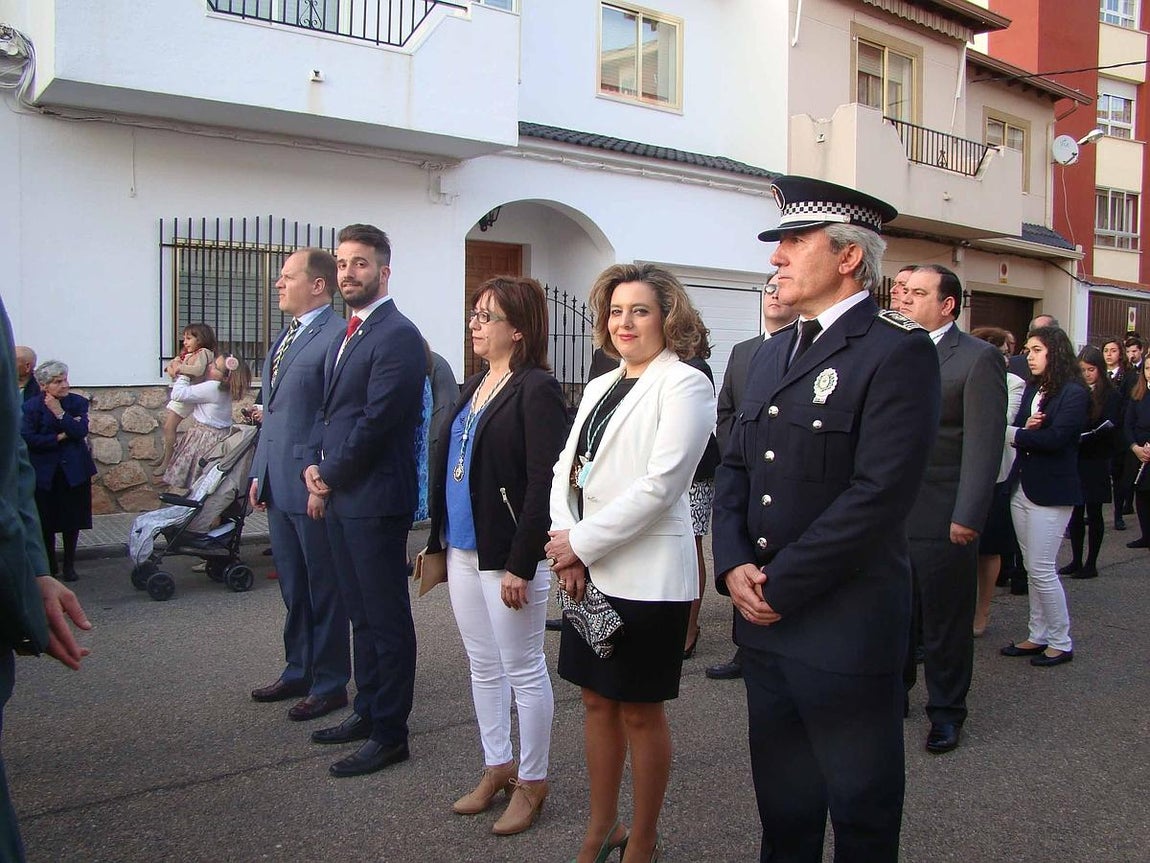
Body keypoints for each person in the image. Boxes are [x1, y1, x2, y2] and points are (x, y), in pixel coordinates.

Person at [712, 175, 940, 863]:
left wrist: (779, 585)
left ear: (848, 256)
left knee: (861, 810)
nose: (777, 257)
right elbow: (736, 465)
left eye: (794, 241)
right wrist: (731, 564)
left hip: (844, 627)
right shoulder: (772, 351)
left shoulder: (897, 350)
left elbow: (877, 496)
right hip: (766, 626)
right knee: (784, 810)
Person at [545, 263, 714, 863]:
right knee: (594, 701)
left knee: (640, 712)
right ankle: (601, 826)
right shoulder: (599, 385)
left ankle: (643, 837)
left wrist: (580, 544)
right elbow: (566, 471)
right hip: (585, 571)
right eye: (616, 311)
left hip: (646, 576)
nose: (625, 323)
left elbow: (662, 486)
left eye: (640, 311)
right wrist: (567, 544)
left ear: (669, 318)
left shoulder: (685, 384)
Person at [424, 276, 566, 835]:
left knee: (523, 669)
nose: (475, 324)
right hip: (462, 548)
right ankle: (497, 765)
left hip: (506, 556)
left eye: (487, 316)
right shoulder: (477, 383)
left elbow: (543, 483)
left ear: (519, 329)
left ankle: (533, 782)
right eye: (474, 314)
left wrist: (522, 562)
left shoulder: (536, 388)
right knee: (483, 666)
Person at [304, 224, 426, 778]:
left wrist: (328, 474)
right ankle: (366, 710)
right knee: (360, 615)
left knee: (386, 619)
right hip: (343, 495)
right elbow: (334, 412)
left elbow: (379, 422)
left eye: (359, 263)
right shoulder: (347, 332)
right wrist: (317, 468)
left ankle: (390, 733)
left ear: (383, 271)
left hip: (374, 499)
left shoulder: (397, 334)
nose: (347, 273)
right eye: (342, 262)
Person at [897, 265, 1005, 754]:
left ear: (948, 306)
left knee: (943, 618)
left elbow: (983, 445)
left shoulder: (977, 360)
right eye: (903, 292)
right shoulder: (889, 349)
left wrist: (969, 515)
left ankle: (946, 710)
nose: (905, 300)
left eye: (919, 294)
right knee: (893, 611)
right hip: (887, 512)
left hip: (943, 510)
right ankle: (892, 693)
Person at [1, 296, 92, 862]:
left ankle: (64, 562)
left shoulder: (71, 401)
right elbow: (25, 446)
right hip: (45, 483)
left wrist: (32, 574)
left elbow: (66, 433)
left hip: (65, 482)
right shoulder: (33, 405)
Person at [248, 248, 351, 722]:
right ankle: (299, 668)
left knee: (322, 585)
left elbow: (332, 417)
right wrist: (258, 471)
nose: (278, 284)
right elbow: (274, 414)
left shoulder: (335, 336)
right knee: (293, 584)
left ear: (317, 285)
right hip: (277, 481)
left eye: (287, 277)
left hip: (311, 484)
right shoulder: (288, 336)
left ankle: (330, 681)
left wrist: (323, 479)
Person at [706, 271, 796, 682]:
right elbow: (726, 409)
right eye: (768, 290)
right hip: (744, 475)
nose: (774, 296)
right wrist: (736, 454)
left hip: (783, 481)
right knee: (741, 559)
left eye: (781, 289)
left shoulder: (805, 348)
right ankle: (745, 649)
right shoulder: (744, 351)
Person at [1001, 326, 1089, 668]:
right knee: (1030, 565)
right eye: (1028, 349)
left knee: (1041, 568)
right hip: (1023, 483)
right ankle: (1037, 634)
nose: (1029, 356)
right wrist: (1026, 431)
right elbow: (1028, 427)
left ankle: (1060, 640)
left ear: (1054, 351)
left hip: (1051, 490)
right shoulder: (1038, 388)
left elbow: (1057, 439)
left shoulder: (1073, 392)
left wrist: (1016, 434)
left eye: (1036, 350)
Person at [968, 327, 1026, 637]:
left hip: (996, 472)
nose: (1005, 359)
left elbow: (999, 423)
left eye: (1006, 353)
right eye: (1001, 352)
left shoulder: (1013, 383)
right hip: (958, 470)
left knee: (989, 547)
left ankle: (982, 611)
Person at [20, 361, 99, 583]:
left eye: (65, 379)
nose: (65, 385)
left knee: (72, 519)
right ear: (44, 385)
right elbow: (29, 437)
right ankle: (50, 565)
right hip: (45, 473)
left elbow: (80, 430)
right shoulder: (31, 407)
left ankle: (69, 565)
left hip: (74, 471)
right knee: (46, 520)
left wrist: (60, 413)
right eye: (58, 381)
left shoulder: (76, 403)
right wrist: (58, 437)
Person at [1058, 347, 1122, 580]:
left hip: (1096, 459)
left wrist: (1086, 436)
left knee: (1094, 512)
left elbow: (1111, 425)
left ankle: (1091, 562)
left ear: (1100, 370)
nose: (1086, 374)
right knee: (1075, 512)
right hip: (1077, 458)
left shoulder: (1110, 394)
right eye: (1082, 370)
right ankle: (1075, 559)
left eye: (1091, 370)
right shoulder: (1075, 391)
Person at [161, 353, 252, 491]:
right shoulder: (221, 389)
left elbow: (178, 394)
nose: (209, 366)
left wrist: (185, 374)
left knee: (198, 481)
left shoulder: (213, 387)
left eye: (215, 367)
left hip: (205, 439)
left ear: (225, 377)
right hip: (218, 437)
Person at [682, 349, 719, 661]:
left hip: (695, 473)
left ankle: (689, 629)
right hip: (658, 471)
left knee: (691, 546)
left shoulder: (696, 368)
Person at [155, 324, 218, 476]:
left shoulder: (204, 353)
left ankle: (167, 461)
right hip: (183, 391)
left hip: (188, 394)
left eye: (189, 338)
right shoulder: (188, 354)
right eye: (184, 338)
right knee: (168, 427)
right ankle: (165, 455)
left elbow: (197, 370)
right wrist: (176, 367)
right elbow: (170, 370)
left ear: (201, 338)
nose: (185, 342)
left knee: (169, 427)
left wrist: (178, 368)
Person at [1102, 336, 1132, 530]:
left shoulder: (1128, 376)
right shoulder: (1098, 374)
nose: (1109, 354)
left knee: (1119, 476)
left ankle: (1119, 513)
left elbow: (1128, 404)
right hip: (1100, 433)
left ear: (1120, 353)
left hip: (1118, 432)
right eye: (1105, 351)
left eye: (1113, 350)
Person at [1124, 358, 1150, 554]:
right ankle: (1146, 535)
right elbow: (1128, 424)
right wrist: (1135, 447)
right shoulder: (1138, 393)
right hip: (1139, 451)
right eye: (1148, 368)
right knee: (1140, 494)